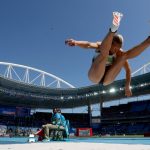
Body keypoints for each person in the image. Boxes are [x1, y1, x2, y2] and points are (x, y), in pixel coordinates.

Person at [65, 11, 150, 97]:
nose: (115, 50)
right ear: (111, 43)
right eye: (114, 47)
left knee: (124, 56)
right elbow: (88, 44)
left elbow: (128, 70)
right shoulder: (101, 45)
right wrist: (76, 42)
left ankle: (148, 41)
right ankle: (112, 30)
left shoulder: (119, 53)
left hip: (108, 79)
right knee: (104, 53)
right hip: (94, 75)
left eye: (118, 48)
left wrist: (127, 86)